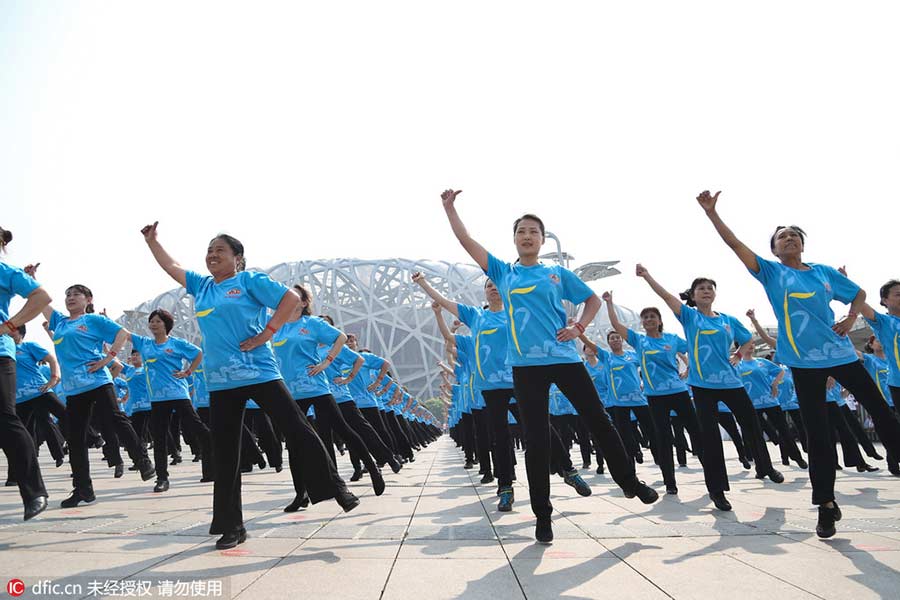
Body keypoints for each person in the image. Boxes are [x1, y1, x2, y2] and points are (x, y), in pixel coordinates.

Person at [440, 189, 658, 544]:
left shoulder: (557, 273)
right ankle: (543, 514)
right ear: (514, 240)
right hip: (526, 368)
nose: (527, 236)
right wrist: (451, 210)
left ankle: (629, 481)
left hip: (565, 358)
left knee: (598, 420)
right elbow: (466, 239)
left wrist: (579, 328)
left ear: (542, 240)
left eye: (534, 232)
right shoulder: (503, 272)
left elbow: (590, 300)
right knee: (537, 437)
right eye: (521, 232)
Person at [140, 221, 358, 549]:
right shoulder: (201, 286)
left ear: (237, 258)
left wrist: (267, 333)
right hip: (220, 382)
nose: (212, 255)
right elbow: (171, 266)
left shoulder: (248, 280)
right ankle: (232, 526)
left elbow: (287, 299)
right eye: (209, 251)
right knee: (226, 452)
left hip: (260, 372)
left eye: (220, 250)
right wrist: (152, 241)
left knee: (298, 429)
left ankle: (336, 487)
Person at [696, 189, 900, 537]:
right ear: (774, 249)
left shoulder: (822, 272)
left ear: (802, 244)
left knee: (881, 410)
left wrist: (851, 318)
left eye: (794, 235)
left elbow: (859, 293)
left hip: (840, 353)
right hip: (804, 365)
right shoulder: (771, 273)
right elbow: (735, 245)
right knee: (818, 435)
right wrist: (712, 214)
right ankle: (826, 505)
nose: (788, 238)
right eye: (781, 237)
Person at [637, 264, 783, 512]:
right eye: (700, 289)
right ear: (693, 296)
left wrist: (738, 353)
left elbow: (747, 338)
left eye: (709, 288)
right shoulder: (690, 317)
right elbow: (666, 296)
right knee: (710, 438)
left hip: (731, 383)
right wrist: (648, 275)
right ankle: (717, 491)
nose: (706, 291)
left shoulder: (728, 320)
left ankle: (765, 466)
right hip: (702, 387)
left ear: (714, 294)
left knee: (752, 425)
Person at [601, 292, 703, 495]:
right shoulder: (639, 341)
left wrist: (689, 370)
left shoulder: (672, 339)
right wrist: (610, 303)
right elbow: (616, 324)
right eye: (645, 317)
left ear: (659, 321)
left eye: (652, 316)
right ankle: (670, 482)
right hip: (655, 398)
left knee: (698, 434)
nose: (648, 319)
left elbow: (695, 346)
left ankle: (712, 476)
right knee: (662, 439)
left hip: (679, 393)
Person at [0, 228, 51, 521]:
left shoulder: (4, 271)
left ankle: (34, 492)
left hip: (0, 354)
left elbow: (41, 296)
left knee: (6, 418)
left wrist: (10, 324)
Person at [131, 309, 213, 491]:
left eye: (158, 321)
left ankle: (218, 459)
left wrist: (188, 371)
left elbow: (198, 354)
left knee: (198, 428)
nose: (154, 324)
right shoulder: (144, 344)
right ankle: (162, 478)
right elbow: (124, 334)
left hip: (178, 394)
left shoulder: (177, 344)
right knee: (159, 439)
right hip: (157, 399)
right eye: (151, 321)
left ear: (166, 324)